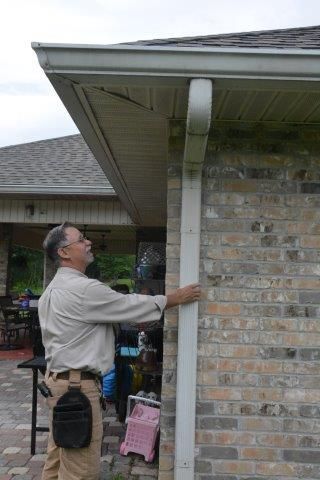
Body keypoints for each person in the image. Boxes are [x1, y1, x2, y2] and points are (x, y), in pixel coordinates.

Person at [38, 222, 200, 480]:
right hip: (77, 390)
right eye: (81, 240)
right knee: (80, 472)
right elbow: (127, 304)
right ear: (64, 253)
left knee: (57, 464)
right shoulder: (82, 289)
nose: (88, 242)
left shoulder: (53, 289)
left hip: (59, 385)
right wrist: (174, 298)